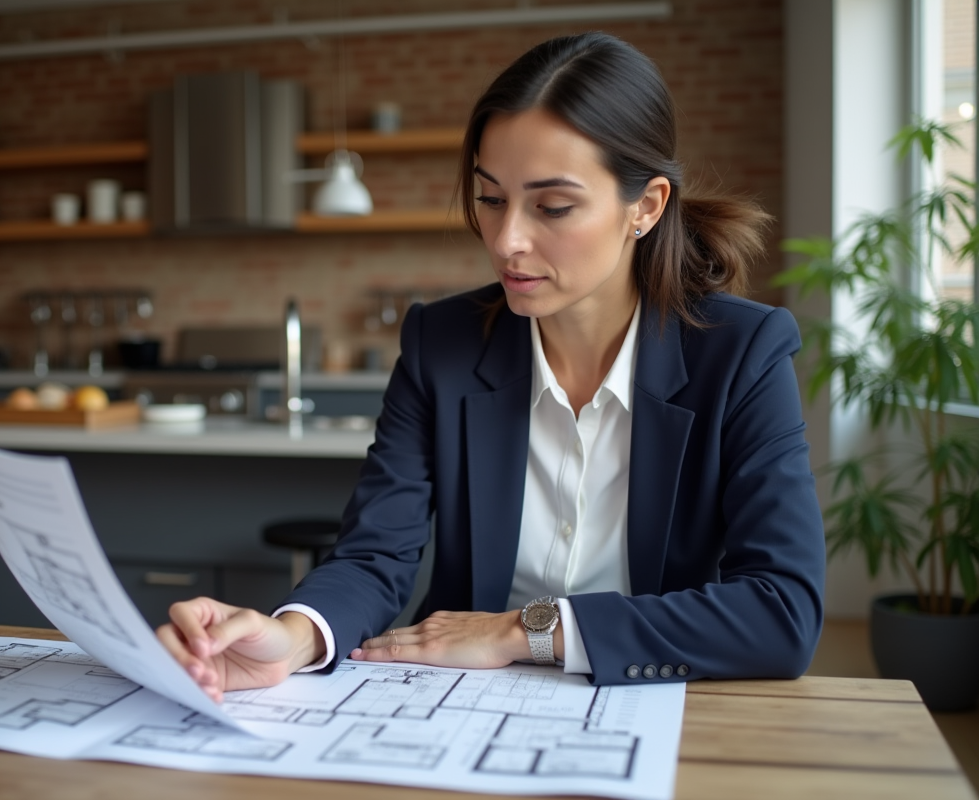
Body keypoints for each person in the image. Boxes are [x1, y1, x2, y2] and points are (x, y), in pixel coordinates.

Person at [157, 32, 825, 702]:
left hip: (649, 708)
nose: (506, 241)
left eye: (553, 207)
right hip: (454, 709)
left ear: (645, 207)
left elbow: (781, 612)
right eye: (491, 198)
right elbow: (375, 553)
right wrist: (294, 636)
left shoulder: (742, 352)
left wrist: (521, 631)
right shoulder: (441, 343)